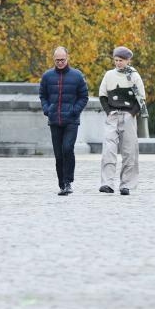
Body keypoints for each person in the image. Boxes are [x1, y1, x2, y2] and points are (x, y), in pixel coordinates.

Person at [39, 46, 90, 196]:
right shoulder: (47, 76)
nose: (60, 62)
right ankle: (62, 184)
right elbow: (43, 95)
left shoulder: (77, 76)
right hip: (54, 119)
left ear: (67, 58)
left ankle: (68, 182)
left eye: (62, 60)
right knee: (58, 154)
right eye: (57, 60)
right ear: (53, 60)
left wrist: (75, 111)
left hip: (71, 120)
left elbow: (84, 96)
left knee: (67, 149)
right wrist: (47, 110)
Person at [98, 46, 146, 195]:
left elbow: (141, 98)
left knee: (129, 151)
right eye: (116, 60)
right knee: (108, 149)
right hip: (113, 114)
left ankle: (127, 185)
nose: (118, 63)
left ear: (128, 60)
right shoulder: (109, 75)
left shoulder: (134, 76)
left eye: (121, 60)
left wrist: (132, 113)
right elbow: (103, 95)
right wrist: (108, 111)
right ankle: (107, 183)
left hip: (128, 116)